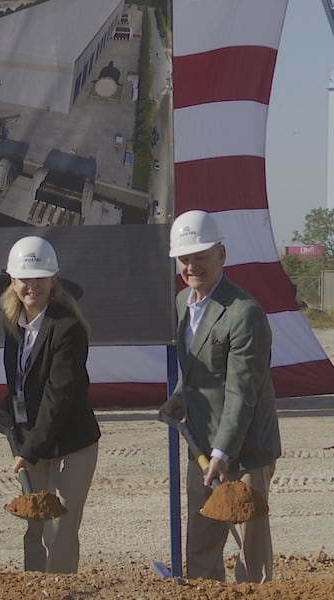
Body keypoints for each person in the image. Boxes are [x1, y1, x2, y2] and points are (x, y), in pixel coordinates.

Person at [158, 210, 281, 583]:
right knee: (202, 541)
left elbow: (242, 390)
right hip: (203, 441)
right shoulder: (183, 303)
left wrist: (223, 453)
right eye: (185, 258)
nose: (191, 265)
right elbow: (197, 370)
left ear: (221, 255)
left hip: (246, 449)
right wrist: (179, 396)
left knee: (251, 548)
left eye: (200, 256)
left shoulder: (244, 313)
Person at [0, 236, 100, 573]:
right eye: (24, 278)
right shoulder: (15, 326)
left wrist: (29, 450)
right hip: (35, 441)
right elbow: (21, 384)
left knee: (60, 530)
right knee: (34, 526)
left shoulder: (67, 329)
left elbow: (59, 396)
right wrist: (8, 411)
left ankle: (62, 592)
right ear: (12, 281)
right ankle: (35, 589)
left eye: (40, 277)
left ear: (53, 279)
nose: (32, 285)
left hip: (72, 445)